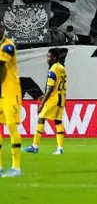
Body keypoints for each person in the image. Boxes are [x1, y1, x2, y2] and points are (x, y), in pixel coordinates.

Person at [25, 48, 67, 155]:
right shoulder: (62, 68)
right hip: (61, 98)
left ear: (55, 58)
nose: (47, 59)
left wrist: (42, 103)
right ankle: (60, 148)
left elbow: (50, 88)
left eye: (49, 57)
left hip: (53, 99)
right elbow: (57, 85)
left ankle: (35, 146)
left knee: (41, 118)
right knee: (58, 121)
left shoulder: (53, 69)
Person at [0, 22, 22, 177]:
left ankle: (16, 167)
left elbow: (1, 67)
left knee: (11, 127)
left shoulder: (8, 46)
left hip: (10, 92)